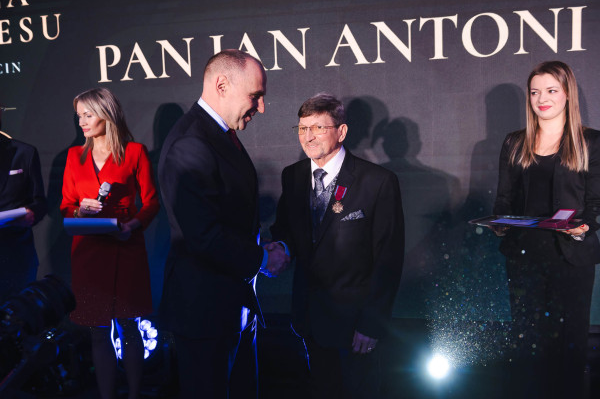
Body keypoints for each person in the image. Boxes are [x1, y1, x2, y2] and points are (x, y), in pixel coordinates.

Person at [158, 49, 288, 399]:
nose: (261, 107)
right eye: (255, 96)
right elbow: (203, 236)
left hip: (232, 307)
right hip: (205, 313)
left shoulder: (217, 134)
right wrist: (263, 259)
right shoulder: (191, 142)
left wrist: (259, 250)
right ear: (221, 85)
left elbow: (227, 217)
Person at [269, 93, 405, 399]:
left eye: (318, 128)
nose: (308, 136)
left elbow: (388, 259)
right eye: (303, 128)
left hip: (356, 326)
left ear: (341, 132)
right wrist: (280, 249)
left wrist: (372, 323)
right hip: (309, 320)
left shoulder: (377, 181)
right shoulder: (293, 176)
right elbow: (286, 229)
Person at [493, 61, 600, 399]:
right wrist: (499, 224)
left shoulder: (591, 142)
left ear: (567, 94)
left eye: (551, 90)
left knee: (569, 346)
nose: (542, 99)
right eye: (535, 92)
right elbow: (504, 200)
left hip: (571, 259)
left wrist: (583, 227)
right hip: (524, 260)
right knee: (528, 345)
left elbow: (595, 202)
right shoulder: (514, 142)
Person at [60, 88, 159, 399]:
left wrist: (132, 225)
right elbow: (66, 206)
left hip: (125, 248)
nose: (81, 122)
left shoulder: (135, 152)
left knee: (130, 327)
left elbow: (151, 202)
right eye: (79, 116)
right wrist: (80, 211)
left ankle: (133, 394)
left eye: (88, 115)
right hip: (88, 253)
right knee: (98, 331)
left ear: (107, 114)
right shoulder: (74, 156)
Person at [0, 106, 47, 302]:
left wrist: (31, 214)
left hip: (15, 257)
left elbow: (39, 202)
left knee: (17, 315)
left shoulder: (24, 153)